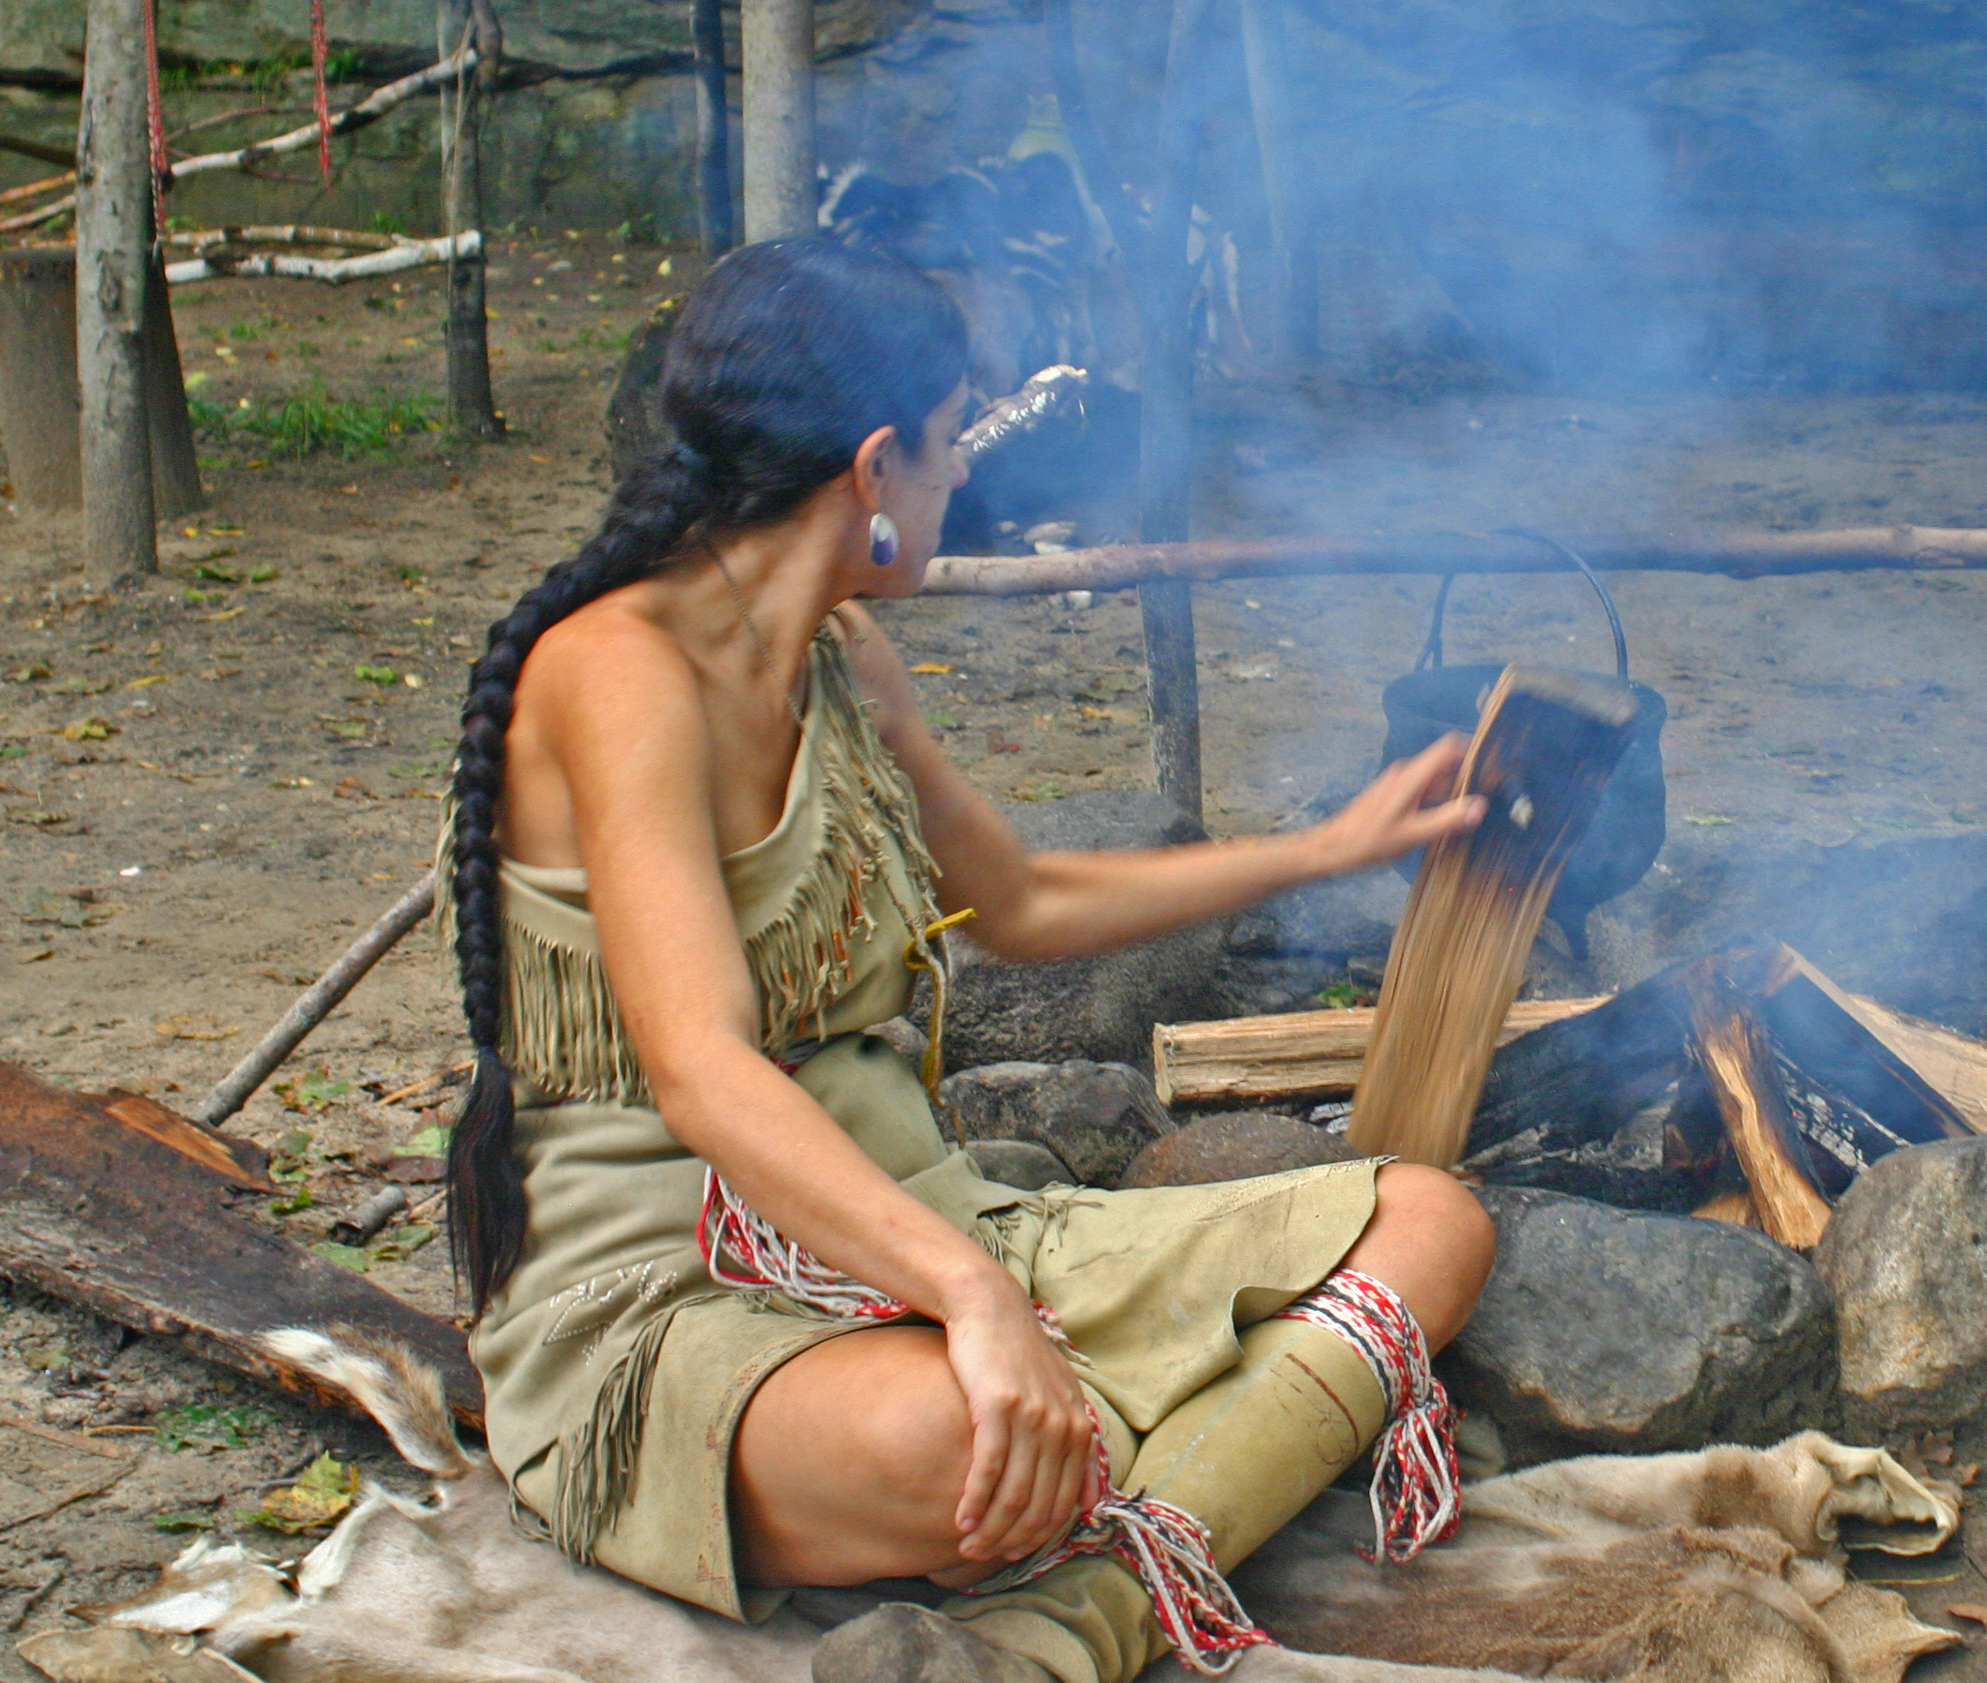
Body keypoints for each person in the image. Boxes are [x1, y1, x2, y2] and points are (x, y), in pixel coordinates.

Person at [442, 237, 1497, 1683]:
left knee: (1429, 1220)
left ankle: (1073, 1625)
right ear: (877, 463)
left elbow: (1022, 899)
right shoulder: (617, 671)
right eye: (952, 443)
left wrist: (1328, 845)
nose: (960, 481)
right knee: (979, 1438)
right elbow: (696, 1065)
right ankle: (1205, 1470)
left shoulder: (843, 652)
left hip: (925, 1218)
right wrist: (982, 1307)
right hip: (665, 1284)